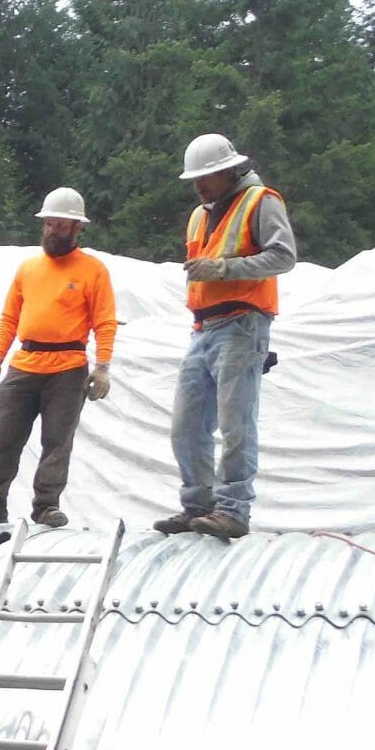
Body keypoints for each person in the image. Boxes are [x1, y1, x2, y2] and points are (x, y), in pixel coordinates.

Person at [155, 133, 297, 540]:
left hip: (243, 324)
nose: (199, 185)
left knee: (236, 423)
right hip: (203, 328)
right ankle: (198, 506)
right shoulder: (200, 215)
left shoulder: (261, 201)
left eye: (206, 177)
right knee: (186, 425)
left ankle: (233, 509)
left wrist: (223, 269)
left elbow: (283, 256)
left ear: (229, 171)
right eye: (195, 179)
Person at [0, 188, 117, 528]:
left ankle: (46, 506)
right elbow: (10, 317)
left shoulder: (93, 271)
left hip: (69, 368)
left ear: (76, 228)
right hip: (24, 363)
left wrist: (102, 367)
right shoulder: (28, 269)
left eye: (59, 225)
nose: (51, 231)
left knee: (57, 441)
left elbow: (104, 321)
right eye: (48, 224)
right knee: (4, 437)